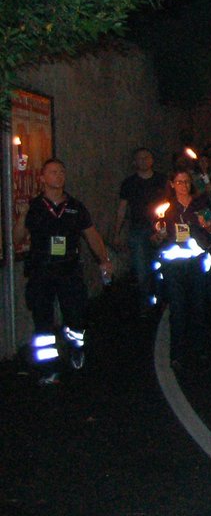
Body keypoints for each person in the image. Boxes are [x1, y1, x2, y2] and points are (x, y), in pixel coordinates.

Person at [24, 159, 114, 384]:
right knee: (43, 321)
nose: (59, 176)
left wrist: (104, 260)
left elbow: (91, 235)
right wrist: (20, 217)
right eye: (53, 172)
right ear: (42, 178)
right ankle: (49, 367)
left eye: (62, 172)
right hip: (41, 270)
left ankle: (75, 345)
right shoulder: (34, 207)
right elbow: (17, 237)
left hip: (69, 269)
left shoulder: (75, 207)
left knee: (75, 314)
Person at [154, 167, 211, 371]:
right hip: (173, 264)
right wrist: (160, 235)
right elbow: (154, 238)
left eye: (186, 182)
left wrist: (206, 224)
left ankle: (200, 348)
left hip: (196, 261)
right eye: (179, 182)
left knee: (198, 304)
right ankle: (177, 352)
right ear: (172, 184)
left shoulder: (200, 204)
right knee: (178, 307)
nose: (183, 186)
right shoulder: (166, 208)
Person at [113, 147, 167, 309]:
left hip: (159, 230)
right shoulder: (129, 183)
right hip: (138, 229)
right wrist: (117, 232)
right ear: (134, 162)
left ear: (152, 160)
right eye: (140, 158)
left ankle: (161, 300)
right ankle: (146, 304)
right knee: (141, 268)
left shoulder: (161, 180)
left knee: (160, 264)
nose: (143, 160)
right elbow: (122, 208)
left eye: (147, 157)